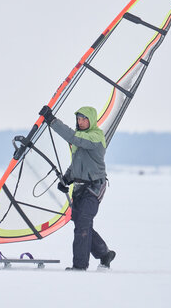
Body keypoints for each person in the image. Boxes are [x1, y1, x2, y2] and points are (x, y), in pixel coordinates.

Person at [39, 105, 116, 271]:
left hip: (95, 187)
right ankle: (104, 254)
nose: (80, 122)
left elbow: (74, 138)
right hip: (79, 187)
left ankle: (80, 266)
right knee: (81, 222)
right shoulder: (80, 139)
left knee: (83, 223)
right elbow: (77, 163)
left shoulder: (96, 136)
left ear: (91, 120)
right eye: (78, 119)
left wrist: (52, 121)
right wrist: (66, 179)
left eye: (84, 119)